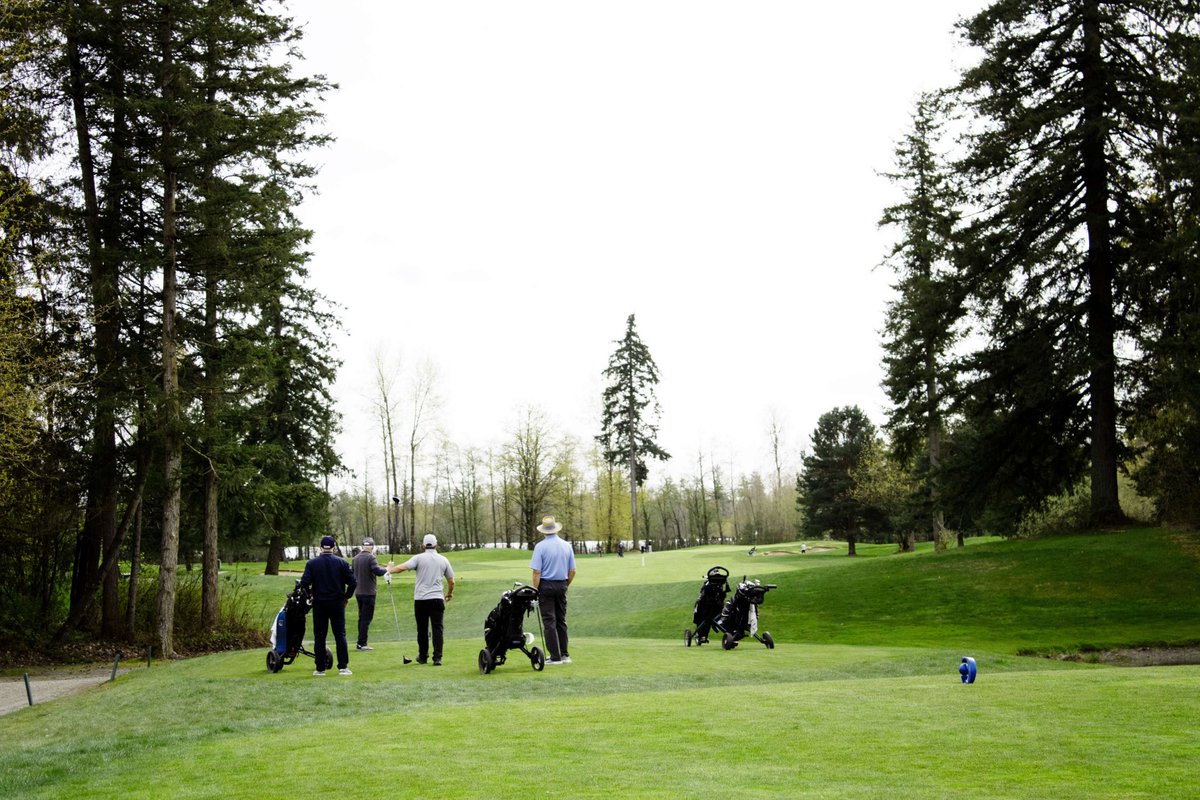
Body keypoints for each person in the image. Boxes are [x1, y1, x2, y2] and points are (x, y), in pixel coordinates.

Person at [384, 533, 455, 665]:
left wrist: (389, 571)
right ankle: (437, 658)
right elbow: (451, 581)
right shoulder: (443, 560)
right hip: (437, 599)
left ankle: (423, 656)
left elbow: (402, 568)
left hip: (421, 599)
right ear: (436, 545)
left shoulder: (418, 558)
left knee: (422, 629)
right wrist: (449, 593)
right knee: (437, 629)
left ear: (423, 545)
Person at [299, 535, 357, 676]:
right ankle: (343, 667)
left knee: (320, 636)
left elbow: (304, 584)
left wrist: (310, 595)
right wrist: (346, 596)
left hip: (319, 603)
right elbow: (353, 583)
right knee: (340, 634)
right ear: (334, 548)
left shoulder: (312, 564)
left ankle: (320, 668)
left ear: (320, 548)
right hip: (337, 602)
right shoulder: (342, 563)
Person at [530, 515, 576, 665]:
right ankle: (564, 655)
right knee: (561, 620)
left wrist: (535, 590)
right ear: (555, 529)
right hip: (562, 584)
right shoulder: (566, 545)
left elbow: (537, 572)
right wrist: (565, 585)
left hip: (546, 586)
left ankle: (555, 657)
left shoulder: (540, 547)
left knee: (549, 621)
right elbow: (573, 571)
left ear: (544, 531)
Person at [352, 537, 388, 650]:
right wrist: (388, 568)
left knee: (361, 617)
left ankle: (360, 642)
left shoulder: (355, 558)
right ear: (372, 547)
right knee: (366, 618)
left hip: (358, 592)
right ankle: (362, 643)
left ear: (363, 546)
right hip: (368, 593)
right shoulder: (371, 557)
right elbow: (377, 572)